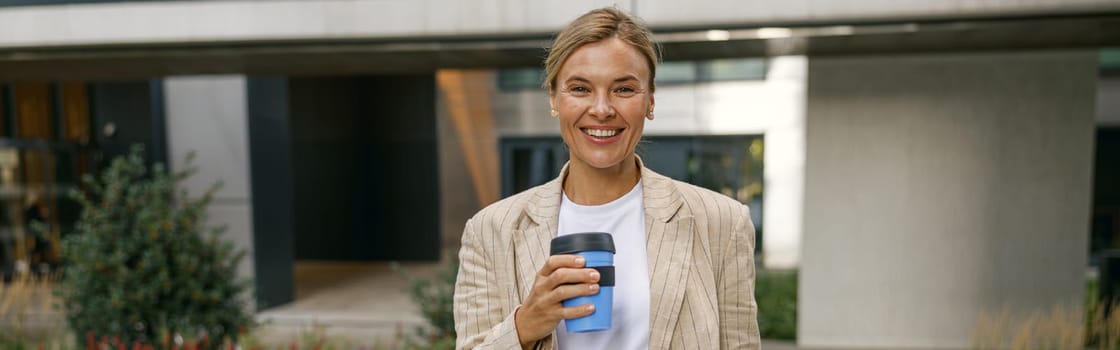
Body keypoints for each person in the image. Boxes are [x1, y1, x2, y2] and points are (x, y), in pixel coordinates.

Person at [453, 7, 760, 350]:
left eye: (624, 89)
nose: (601, 109)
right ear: (553, 98)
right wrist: (524, 325)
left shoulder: (721, 222)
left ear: (650, 100)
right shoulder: (490, 230)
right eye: (580, 89)